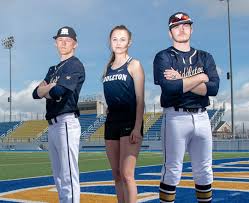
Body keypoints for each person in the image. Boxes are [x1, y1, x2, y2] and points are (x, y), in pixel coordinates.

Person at [153, 12, 220, 203]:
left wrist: (181, 79)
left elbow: (213, 88)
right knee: (172, 169)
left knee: (205, 170)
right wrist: (201, 77)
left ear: (192, 29)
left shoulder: (205, 57)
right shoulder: (163, 57)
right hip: (175, 117)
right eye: (176, 26)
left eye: (185, 25)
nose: (181, 29)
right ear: (169, 32)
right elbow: (170, 88)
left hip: (202, 117)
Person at [32, 26, 85, 203]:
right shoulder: (52, 69)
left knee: (68, 174)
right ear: (55, 43)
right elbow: (34, 93)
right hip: (53, 125)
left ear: (75, 44)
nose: (63, 43)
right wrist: (49, 89)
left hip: (66, 122)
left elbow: (59, 91)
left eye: (67, 40)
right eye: (60, 40)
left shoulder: (74, 64)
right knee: (59, 176)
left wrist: (46, 89)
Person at [102, 25, 144, 203]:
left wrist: (137, 127)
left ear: (129, 42)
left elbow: (140, 99)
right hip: (111, 123)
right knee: (117, 175)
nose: (118, 43)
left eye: (122, 39)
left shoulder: (134, 64)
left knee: (127, 174)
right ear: (110, 42)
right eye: (115, 39)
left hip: (129, 122)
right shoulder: (107, 68)